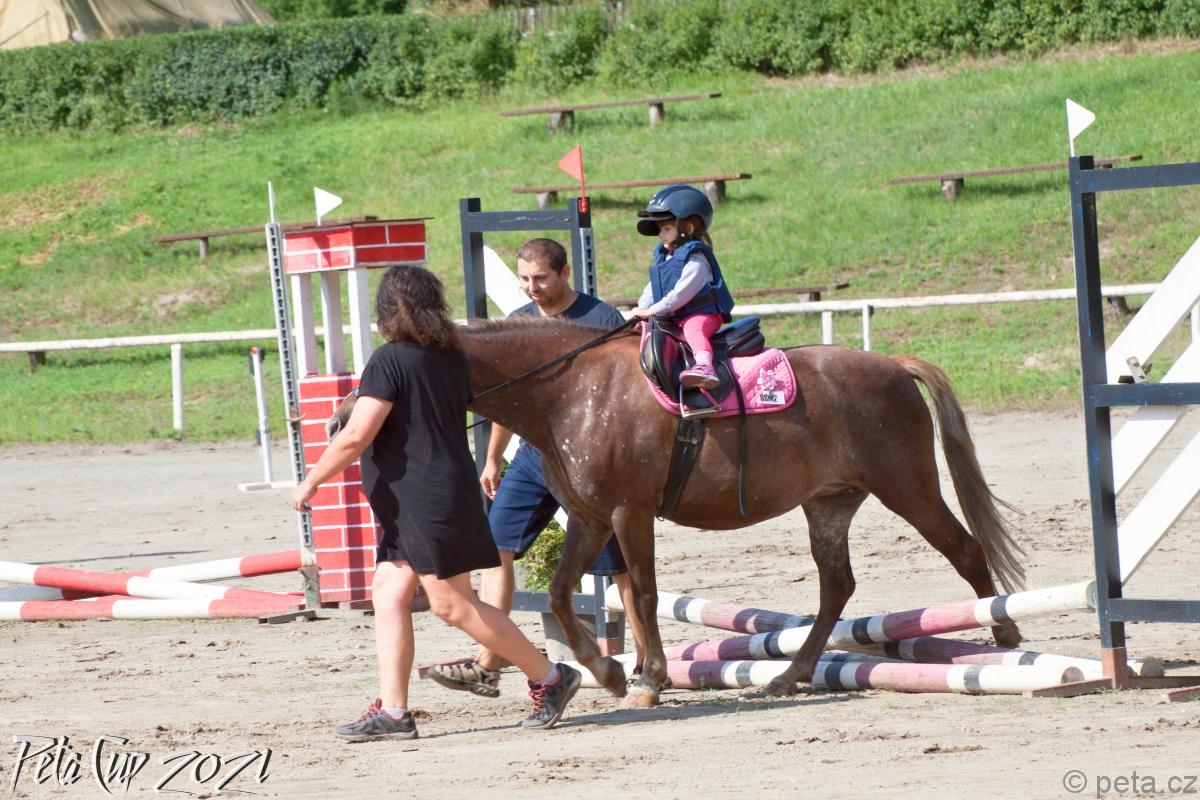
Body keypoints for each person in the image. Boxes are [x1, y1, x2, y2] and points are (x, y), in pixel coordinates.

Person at [290, 264, 582, 742]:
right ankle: (394, 711)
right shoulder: (450, 358)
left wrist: (312, 481)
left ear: (389, 308)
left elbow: (357, 434)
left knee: (452, 604)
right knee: (389, 593)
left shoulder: (389, 361)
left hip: (425, 499)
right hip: (425, 496)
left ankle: (550, 677)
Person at [427, 237, 647, 698]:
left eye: (541, 278)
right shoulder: (521, 323)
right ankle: (489, 662)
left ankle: (647, 662)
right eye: (525, 279)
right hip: (533, 456)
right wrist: (492, 458)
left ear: (564, 273)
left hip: (594, 461)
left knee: (620, 563)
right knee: (495, 548)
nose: (532, 288)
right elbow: (508, 399)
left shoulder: (602, 319)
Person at [630, 184, 735, 391]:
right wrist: (641, 308)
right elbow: (653, 288)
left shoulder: (697, 259)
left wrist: (653, 310)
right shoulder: (667, 258)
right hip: (676, 315)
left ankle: (705, 366)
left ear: (687, 227)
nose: (661, 234)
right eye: (660, 229)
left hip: (702, 315)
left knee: (693, 329)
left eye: (667, 228)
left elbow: (681, 294)